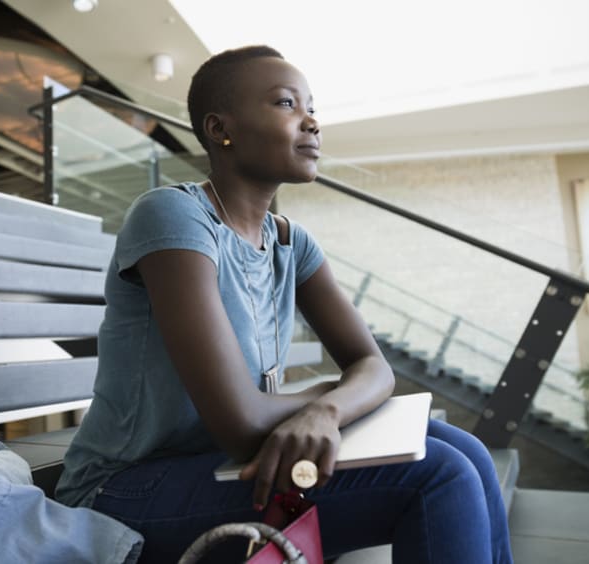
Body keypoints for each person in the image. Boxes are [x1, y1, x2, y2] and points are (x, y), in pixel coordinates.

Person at [55, 45, 514, 564]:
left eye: (311, 106)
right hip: (122, 491)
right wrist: (326, 391)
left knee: (469, 452)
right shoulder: (171, 217)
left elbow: (374, 369)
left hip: (221, 467)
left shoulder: (292, 244)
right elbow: (242, 422)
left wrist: (328, 408)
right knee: (440, 476)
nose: (312, 121)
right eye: (286, 104)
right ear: (218, 128)